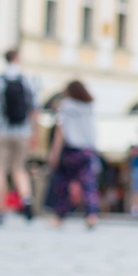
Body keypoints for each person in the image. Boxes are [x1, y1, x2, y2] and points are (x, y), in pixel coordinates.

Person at [0, 48, 38, 225]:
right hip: (22, 132)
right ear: (17, 59)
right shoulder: (27, 79)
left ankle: (0, 209)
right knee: (19, 168)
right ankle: (26, 199)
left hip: (1, 131)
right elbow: (34, 110)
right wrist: (35, 133)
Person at [47, 81, 101, 228]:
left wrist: (54, 153)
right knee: (89, 184)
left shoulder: (65, 105)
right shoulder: (89, 106)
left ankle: (59, 217)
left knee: (63, 184)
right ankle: (91, 216)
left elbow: (60, 131)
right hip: (88, 149)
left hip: (71, 150)